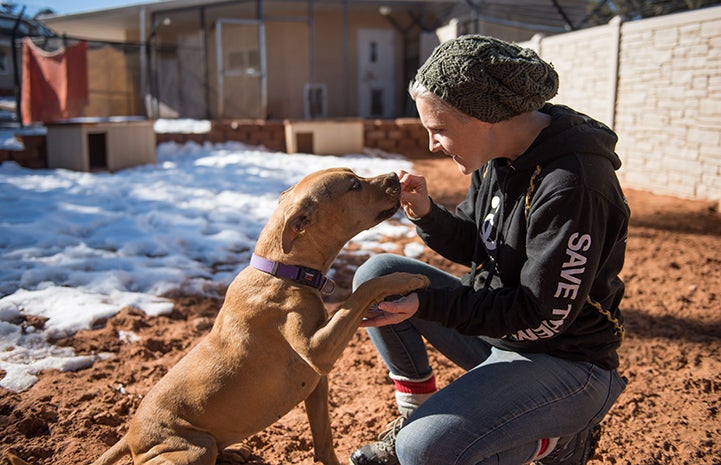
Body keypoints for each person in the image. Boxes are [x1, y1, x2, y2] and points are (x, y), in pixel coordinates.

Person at [349, 35, 628, 465]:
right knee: (378, 275)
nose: (431, 145)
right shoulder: (499, 155)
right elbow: (482, 244)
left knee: (425, 452)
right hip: (505, 334)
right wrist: (425, 213)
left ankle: (563, 440)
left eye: (438, 129)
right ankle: (415, 413)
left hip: (566, 362)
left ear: (484, 116)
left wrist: (427, 302)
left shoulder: (575, 183)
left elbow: (540, 315)